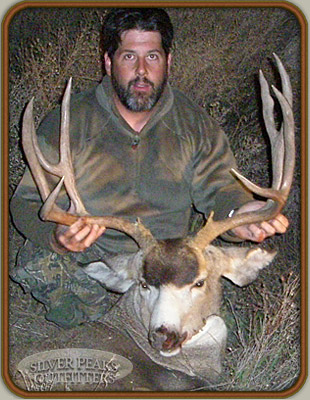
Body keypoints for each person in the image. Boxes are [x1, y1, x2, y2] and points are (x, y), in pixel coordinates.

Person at [10, 8, 288, 328]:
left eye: (152, 57)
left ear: (168, 62)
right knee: (43, 266)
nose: (142, 70)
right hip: (92, 263)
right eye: (129, 57)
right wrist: (58, 237)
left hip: (166, 272)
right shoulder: (69, 122)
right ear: (108, 62)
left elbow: (220, 188)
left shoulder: (195, 125)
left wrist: (240, 214)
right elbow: (25, 203)